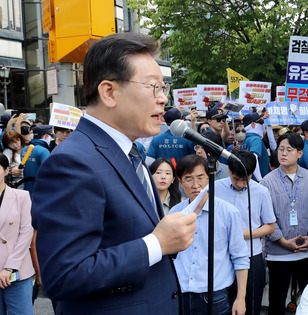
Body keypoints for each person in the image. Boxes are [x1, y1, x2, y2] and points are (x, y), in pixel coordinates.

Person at [31, 33, 197, 314]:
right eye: (154, 87)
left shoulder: (130, 151)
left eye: (164, 87)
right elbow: (64, 275)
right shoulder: (72, 162)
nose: (163, 99)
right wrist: (157, 243)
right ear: (109, 92)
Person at [170, 154, 249, 315]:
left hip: (215, 296)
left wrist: (241, 298)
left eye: (201, 178)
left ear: (210, 179)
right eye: (188, 179)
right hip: (179, 293)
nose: (195, 185)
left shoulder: (228, 213)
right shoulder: (175, 213)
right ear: (180, 182)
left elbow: (240, 257)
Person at [261, 132, 308, 315]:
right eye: (281, 149)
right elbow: (267, 216)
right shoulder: (267, 182)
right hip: (279, 254)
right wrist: (281, 240)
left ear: (300, 154)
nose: (283, 153)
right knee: (276, 302)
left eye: (289, 150)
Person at [215, 150, 276, 315]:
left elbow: (270, 226)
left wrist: (247, 234)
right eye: (237, 179)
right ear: (229, 171)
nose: (241, 184)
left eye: (246, 179)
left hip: (251, 257)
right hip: (221, 257)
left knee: (250, 307)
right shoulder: (215, 189)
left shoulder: (261, 191)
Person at [0, 153, 34, 315]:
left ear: (7, 170)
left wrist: (9, 267)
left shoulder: (21, 196)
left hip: (17, 271)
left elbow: (26, 233)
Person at [20, 125, 52, 195]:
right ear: (46, 136)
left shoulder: (24, 149)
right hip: (40, 191)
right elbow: (47, 172)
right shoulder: (44, 151)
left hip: (26, 189)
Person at [241, 112, 270, 180]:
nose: (262, 127)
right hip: (257, 181)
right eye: (260, 124)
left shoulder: (245, 140)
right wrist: (260, 180)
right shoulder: (256, 139)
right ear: (253, 124)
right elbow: (253, 158)